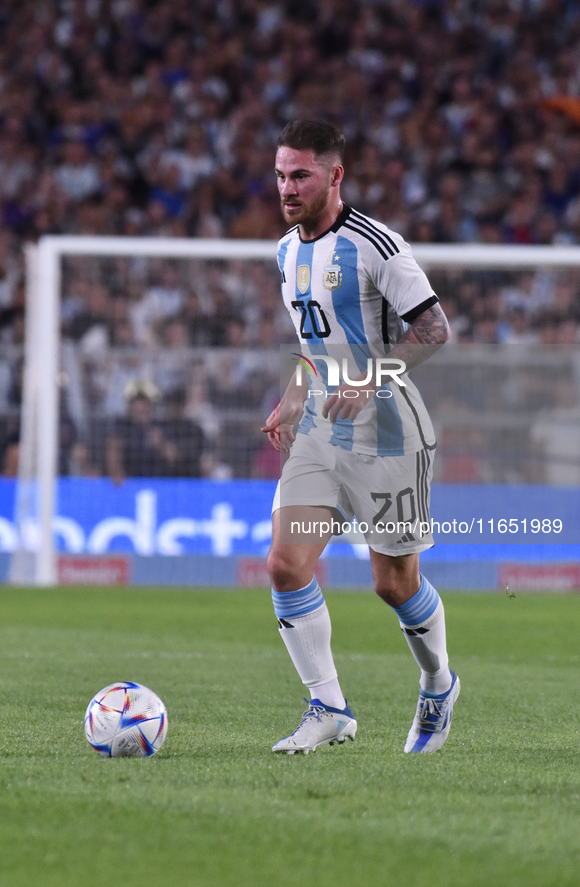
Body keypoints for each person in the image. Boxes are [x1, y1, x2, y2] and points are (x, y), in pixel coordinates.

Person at [262, 118, 459, 755]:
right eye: (282, 175)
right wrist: (293, 397)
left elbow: (434, 331)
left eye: (302, 175)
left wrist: (370, 378)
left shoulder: (376, 244)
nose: (288, 188)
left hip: (390, 431)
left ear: (334, 175)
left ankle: (438, 682)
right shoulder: (288, 252)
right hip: (321, 425)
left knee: (392, 583)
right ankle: (329, 707)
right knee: (286, 565)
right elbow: (313, 345)